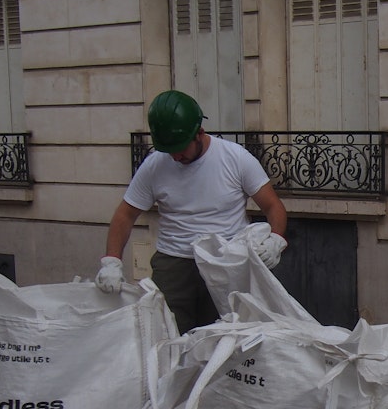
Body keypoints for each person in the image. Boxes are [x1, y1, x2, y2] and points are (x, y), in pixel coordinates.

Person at [96, 90, 288, 332]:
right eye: (169, 149)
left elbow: (273, 206)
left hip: (225, 261)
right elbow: (125, 214)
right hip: (174, 264)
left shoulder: (235, 158)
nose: (176, 156)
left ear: (199, 133)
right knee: (167, 335)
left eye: (181, 148)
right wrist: (111, 261)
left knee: (225, 335)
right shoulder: (155, 165)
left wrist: (276, 240)